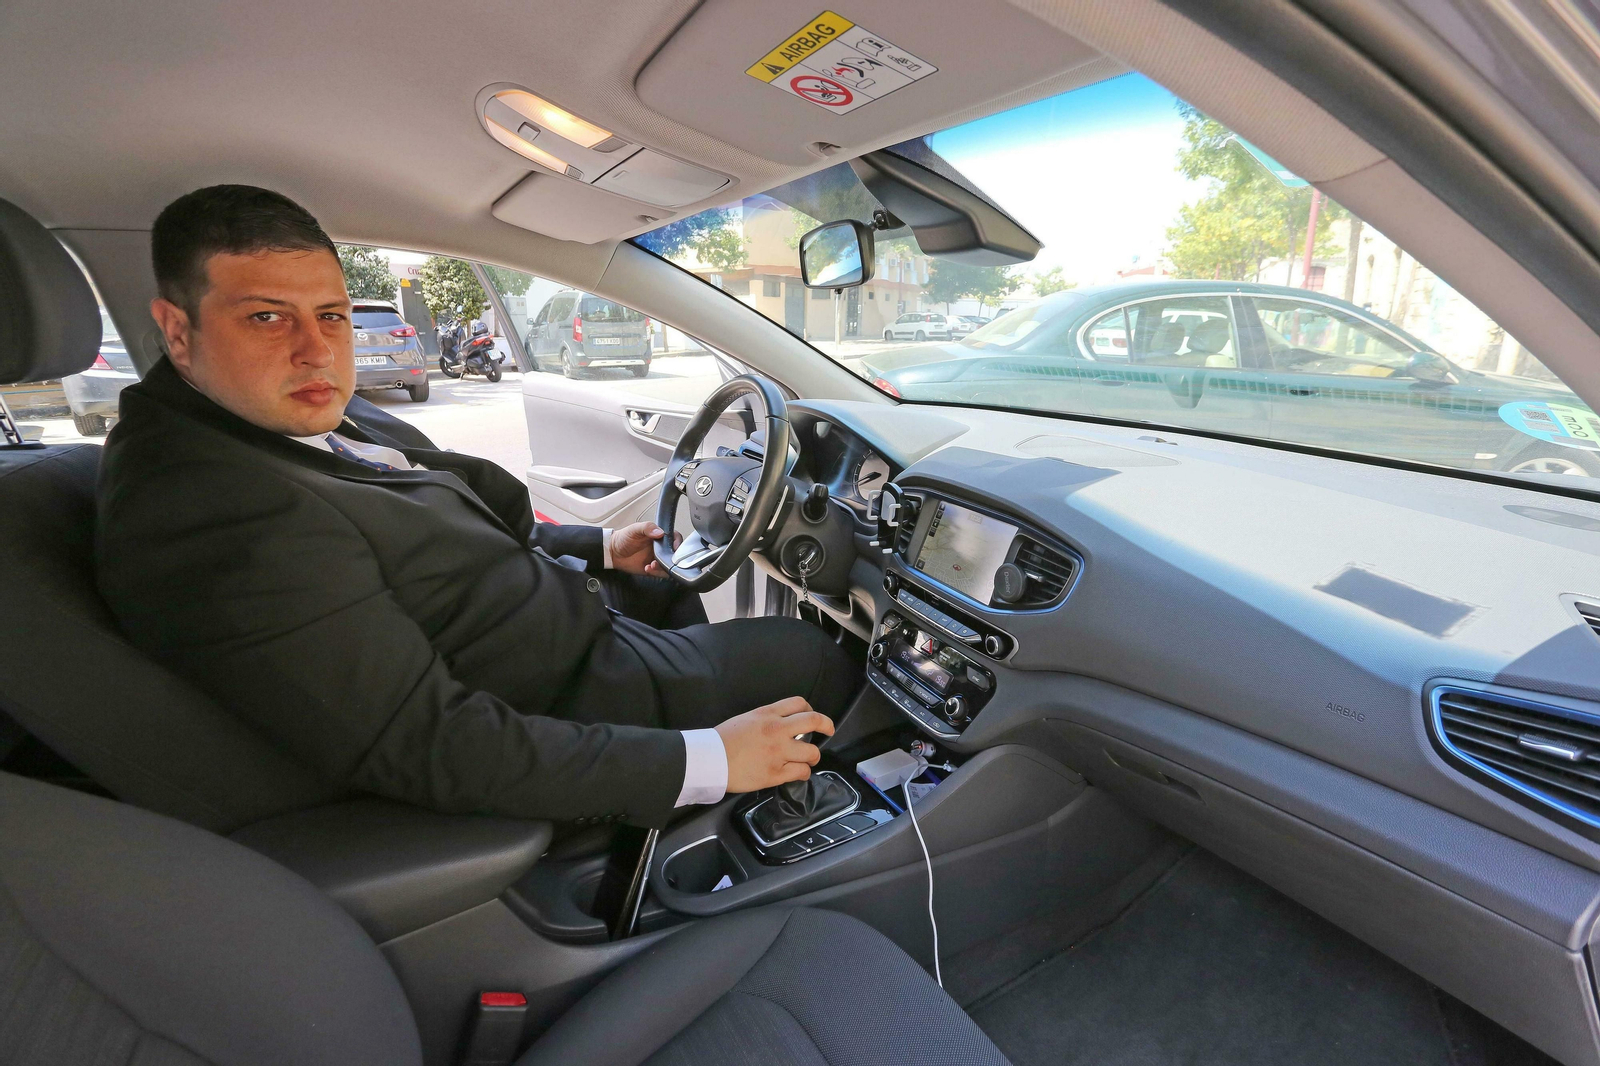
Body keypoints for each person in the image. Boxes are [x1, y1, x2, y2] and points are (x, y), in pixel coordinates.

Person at [95, 184, 857, 828]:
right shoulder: (209, 508)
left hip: (556, 635)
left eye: (330, 315)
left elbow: (420, 525)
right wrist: (707, 759)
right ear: (178, 331)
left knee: (669, 587)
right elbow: (427, 742)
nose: (316, 349)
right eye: (266, 317)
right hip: (558, 703)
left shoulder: (257, 413)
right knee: (807, 658)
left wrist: (590, 549)